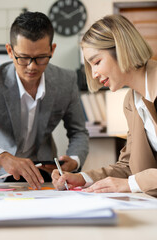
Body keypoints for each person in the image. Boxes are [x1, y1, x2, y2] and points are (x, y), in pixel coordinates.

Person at [0, 11, 89, 190]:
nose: (32, 66)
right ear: (10, 51)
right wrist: (2, 156)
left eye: (41, 58)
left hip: (43, 177)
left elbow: (78, 132)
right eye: (24, 57)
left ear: (52, 50)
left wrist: (74, 160)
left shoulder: (66, 81)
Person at [52, 14, 157, 197]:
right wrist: (83, 178)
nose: (93, 74)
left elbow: (131, 181)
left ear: (122, 49)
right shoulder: (131, 102)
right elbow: (128, 166)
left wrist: (131, 184)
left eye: (97, 62)